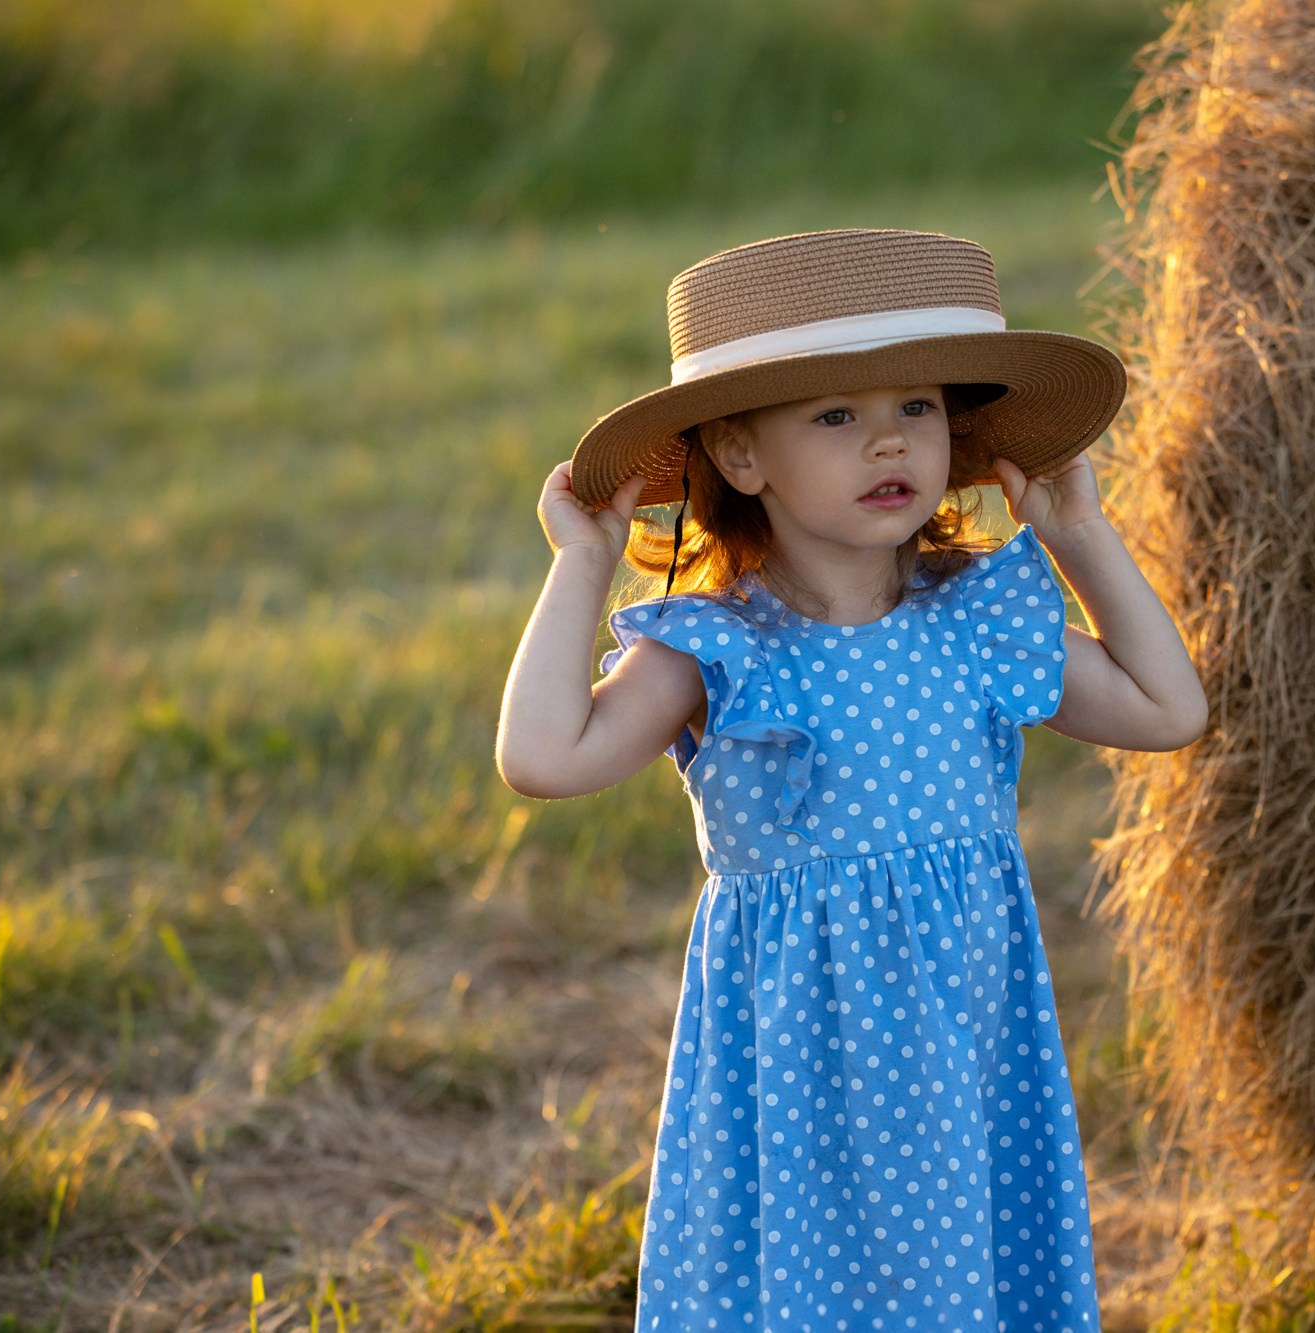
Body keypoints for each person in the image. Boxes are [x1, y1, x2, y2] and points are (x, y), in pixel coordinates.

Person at [495, 228, 1205, 1332]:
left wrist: (1080, 538)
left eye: (916, 408)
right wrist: (579, 564)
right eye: (836, 416)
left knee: (959, 1274)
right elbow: (542, 757)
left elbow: (1167, 709)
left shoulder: (971, 622)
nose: (889, 440)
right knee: (813, 1283)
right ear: (738, 456)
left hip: (964, 1043)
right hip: (799, 1062)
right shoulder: (712, 647)